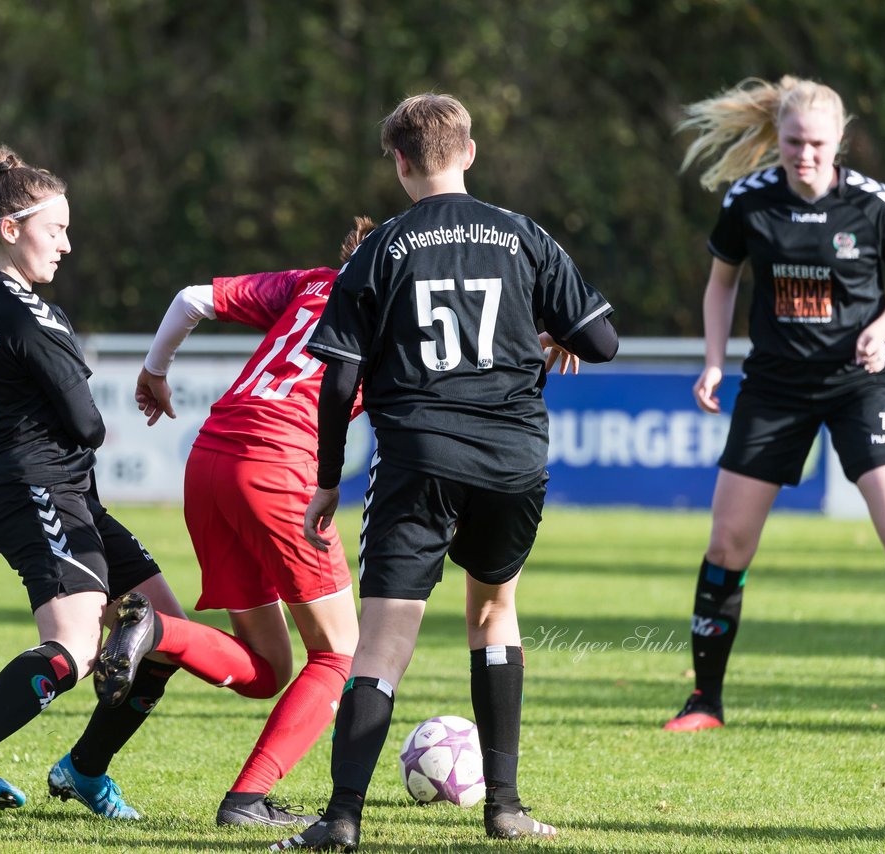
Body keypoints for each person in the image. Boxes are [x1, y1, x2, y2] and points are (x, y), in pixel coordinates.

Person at [267, 93, 618, 852]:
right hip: (512, 458)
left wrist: (329, 477)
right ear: (470, 151)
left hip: (417, 458)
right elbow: (605, 341)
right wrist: (554, 327)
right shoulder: (524, 236)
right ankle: (506, 808)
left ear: (398, 162)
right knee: (493, 613)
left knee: (383, 641)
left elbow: (336, 380)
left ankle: (341, 820)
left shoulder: (381, 248)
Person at [0, 144, 186, 819]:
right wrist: (2, 487)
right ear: (11, 229)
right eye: (56, 229)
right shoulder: (32, 317)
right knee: (75, 647)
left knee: (167, 630)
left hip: (55, 495)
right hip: (44, 493)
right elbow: (87, 425)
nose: (67, 245)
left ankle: (84, 770)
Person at [663, 76, 885, 732]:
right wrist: (715, 361)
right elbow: (722, 285)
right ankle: (705, 702)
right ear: (777, 139)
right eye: (792, 142)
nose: (803, 154)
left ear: (839, 142)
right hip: (774, 388)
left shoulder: (871, 204)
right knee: (728, 543)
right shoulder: (749, 200)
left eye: (815, 144)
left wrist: (880, 330)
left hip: (858, 383)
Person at [106, 218, 380, 828]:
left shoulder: (312, 283)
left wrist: (155, 368)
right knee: (340, 653)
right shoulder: (395, 314)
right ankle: (247, 798)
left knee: (267, 671)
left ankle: (158, 630)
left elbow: (188, 300)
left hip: (209, 461)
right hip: (277, 471)